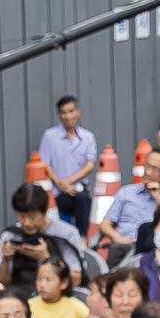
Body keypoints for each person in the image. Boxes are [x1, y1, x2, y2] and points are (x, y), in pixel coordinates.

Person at [38, 94, 99, 235]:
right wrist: (60, 184)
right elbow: (45, 164)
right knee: (76, 202)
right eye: (64, 112)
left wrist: (68, 182)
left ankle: (83, 240)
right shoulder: (50, 136)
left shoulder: (87, 137)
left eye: (71, 111)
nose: (68, 116)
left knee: (83, 199)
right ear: (59, 115)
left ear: (77, 112)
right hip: (58, 192)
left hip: (78, 189)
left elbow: (89, 165)